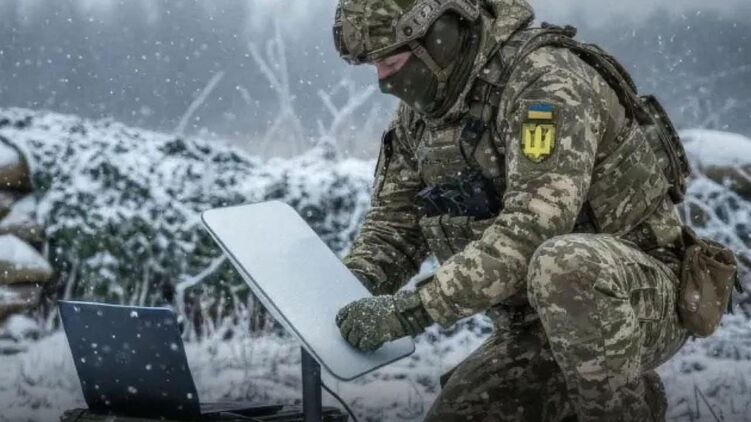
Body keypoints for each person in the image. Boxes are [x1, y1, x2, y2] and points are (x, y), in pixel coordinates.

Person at [331, 0, 736, 420]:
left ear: (439, 36)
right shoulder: (420, 119)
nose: (384, 82)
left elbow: (533, 228)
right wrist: (340, 290)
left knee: (565, 263)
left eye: (392, 62)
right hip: (535, 322)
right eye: (375, 67)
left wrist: (412, 311)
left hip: (637, 294)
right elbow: (394, 229)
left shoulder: (545, 82)